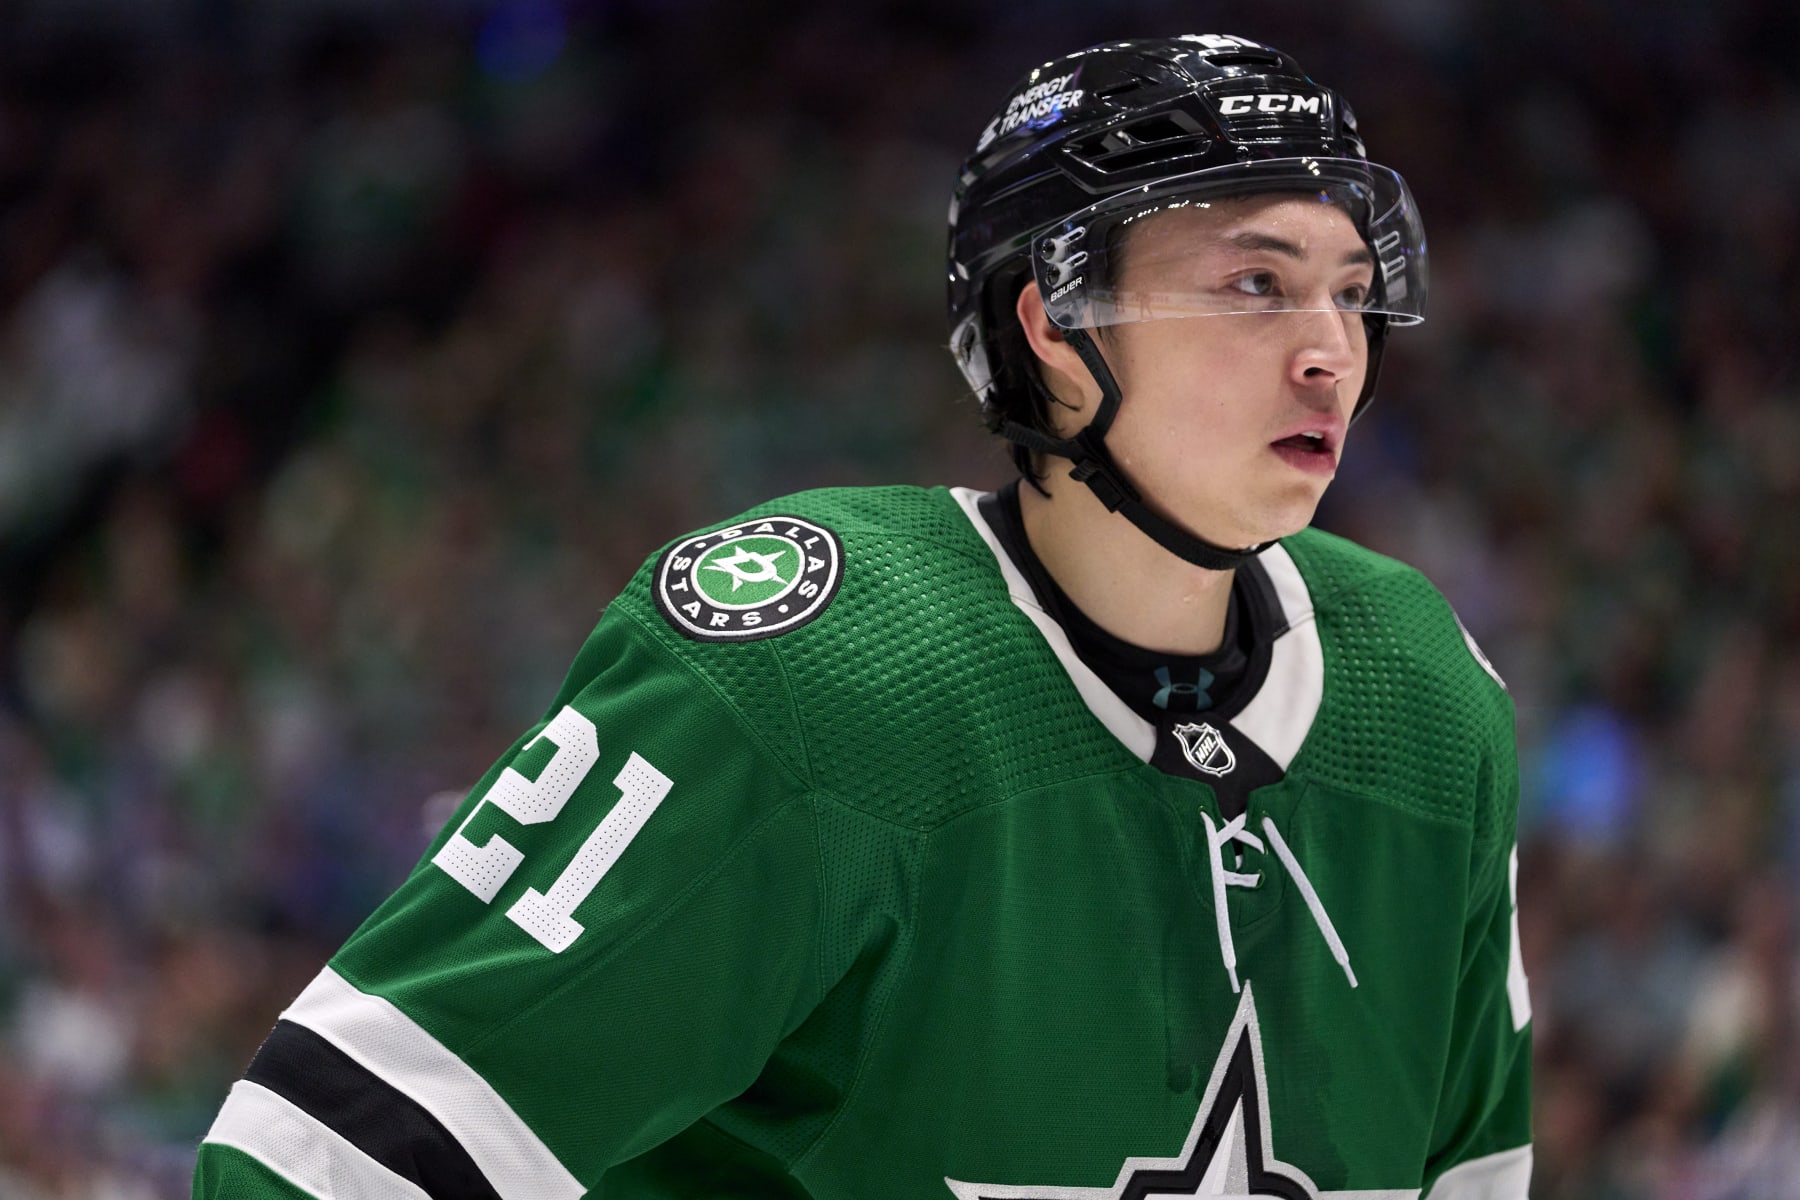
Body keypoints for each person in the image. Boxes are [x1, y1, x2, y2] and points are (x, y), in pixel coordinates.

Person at [194, 34, 1531, 1199]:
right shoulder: (814, 673)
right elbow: (325, 1157)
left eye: (1350, 289)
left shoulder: (1425, 697)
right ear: (1052, 328)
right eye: (1256, 283)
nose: (1331, 350)